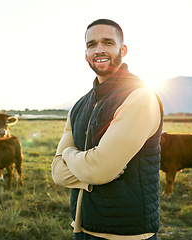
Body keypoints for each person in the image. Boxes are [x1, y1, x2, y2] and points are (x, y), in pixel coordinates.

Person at [51, 19, 163, 240]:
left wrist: (68, 155)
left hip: (127, 234)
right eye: (92, 45)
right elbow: (57, 173)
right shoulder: (79, 105)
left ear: (123, 50)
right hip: (82, 229)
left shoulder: (139, 96)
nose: (99, 50)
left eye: (108, 42)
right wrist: (90, 166)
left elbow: (99, 169)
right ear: (85, 54)